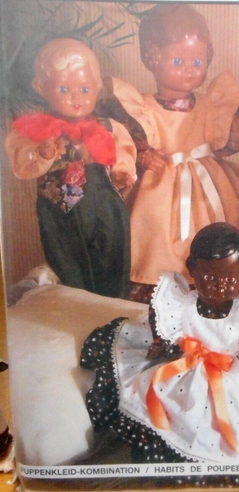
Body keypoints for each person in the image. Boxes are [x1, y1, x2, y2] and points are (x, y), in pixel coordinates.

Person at [81, 223, 239, 471]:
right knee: (171, 414)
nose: (219, 285)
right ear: (192, 270)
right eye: (209, 278)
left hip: (236, 375)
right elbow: (169, 337)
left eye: (229, 278)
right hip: (188, 373)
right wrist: (162, 346)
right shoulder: (180, 307)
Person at [100, 3, 239, 303]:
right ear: (152, 58)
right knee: (157, 236)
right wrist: (144, 156)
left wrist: (235, 137)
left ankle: (221, 280)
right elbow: (131, 141)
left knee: (228, 222)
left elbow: (220, 146)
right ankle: (165, 288)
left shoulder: (209, 104)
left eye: (198, 62)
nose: (190, 70)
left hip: (210, 181)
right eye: (178, 61)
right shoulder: (143, 107)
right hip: (163, 185)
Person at [5, 38, 137, 298]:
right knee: (69, 265)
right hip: (59, 210)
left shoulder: (108, 127)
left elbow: (123, 152)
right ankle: (78, 306)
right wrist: (42, 155)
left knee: (112, 258)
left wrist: (122, 172)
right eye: (64, 89)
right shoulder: (36, 129)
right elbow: (21, 163)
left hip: (104, 205)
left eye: (85, 89)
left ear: (97, 88)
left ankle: (114, 305)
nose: (76, 98)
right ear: (41, 88)